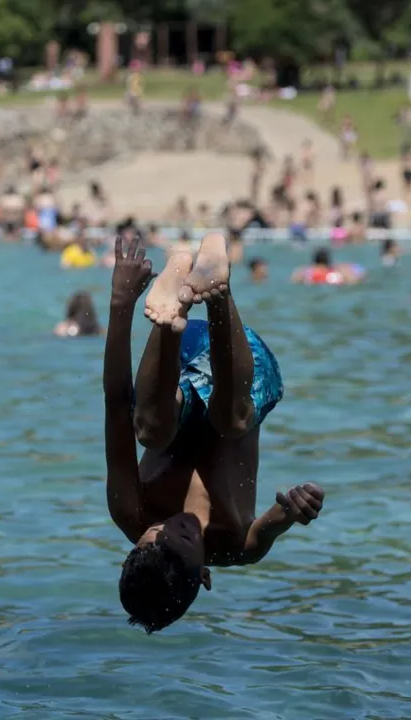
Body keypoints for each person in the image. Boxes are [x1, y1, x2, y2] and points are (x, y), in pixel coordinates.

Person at [104, 233, 324, 634]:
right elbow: (284, 514)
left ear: (135, 547)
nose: (174, 525)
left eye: (157, 533)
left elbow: (117, 407)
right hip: (246, 370)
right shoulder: (240, 544)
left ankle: (176, 303)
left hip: (181, 361)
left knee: (149, 433)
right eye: (185, 541)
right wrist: (300, 503)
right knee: (232, 423)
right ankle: (217, 288)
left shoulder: (129, 510)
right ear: (205, 575)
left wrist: (121, 304)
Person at [290, 248, 364, 285]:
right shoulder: (335, 270)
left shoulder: (306, 271)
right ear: (328, 260)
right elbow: (354, 280)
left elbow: (293, 279)